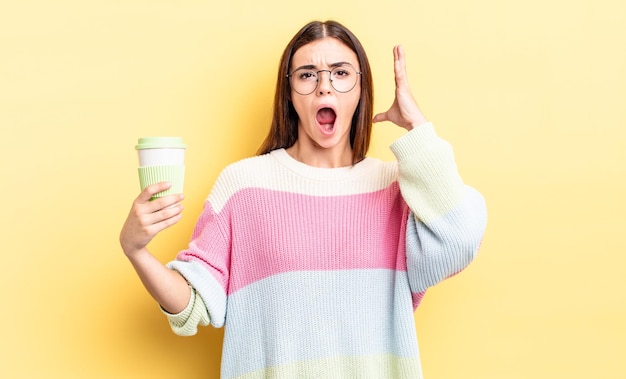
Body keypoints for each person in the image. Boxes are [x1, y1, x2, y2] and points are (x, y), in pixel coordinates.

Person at [120, 20, 487, 379]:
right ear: (291, 93)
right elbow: (194, 303)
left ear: (361, 90)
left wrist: (417, 128)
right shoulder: (243, 185)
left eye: (341, 74)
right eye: (307, 74)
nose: (324, 87)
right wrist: (136, 250)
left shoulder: (396, 189)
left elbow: (461, 238)